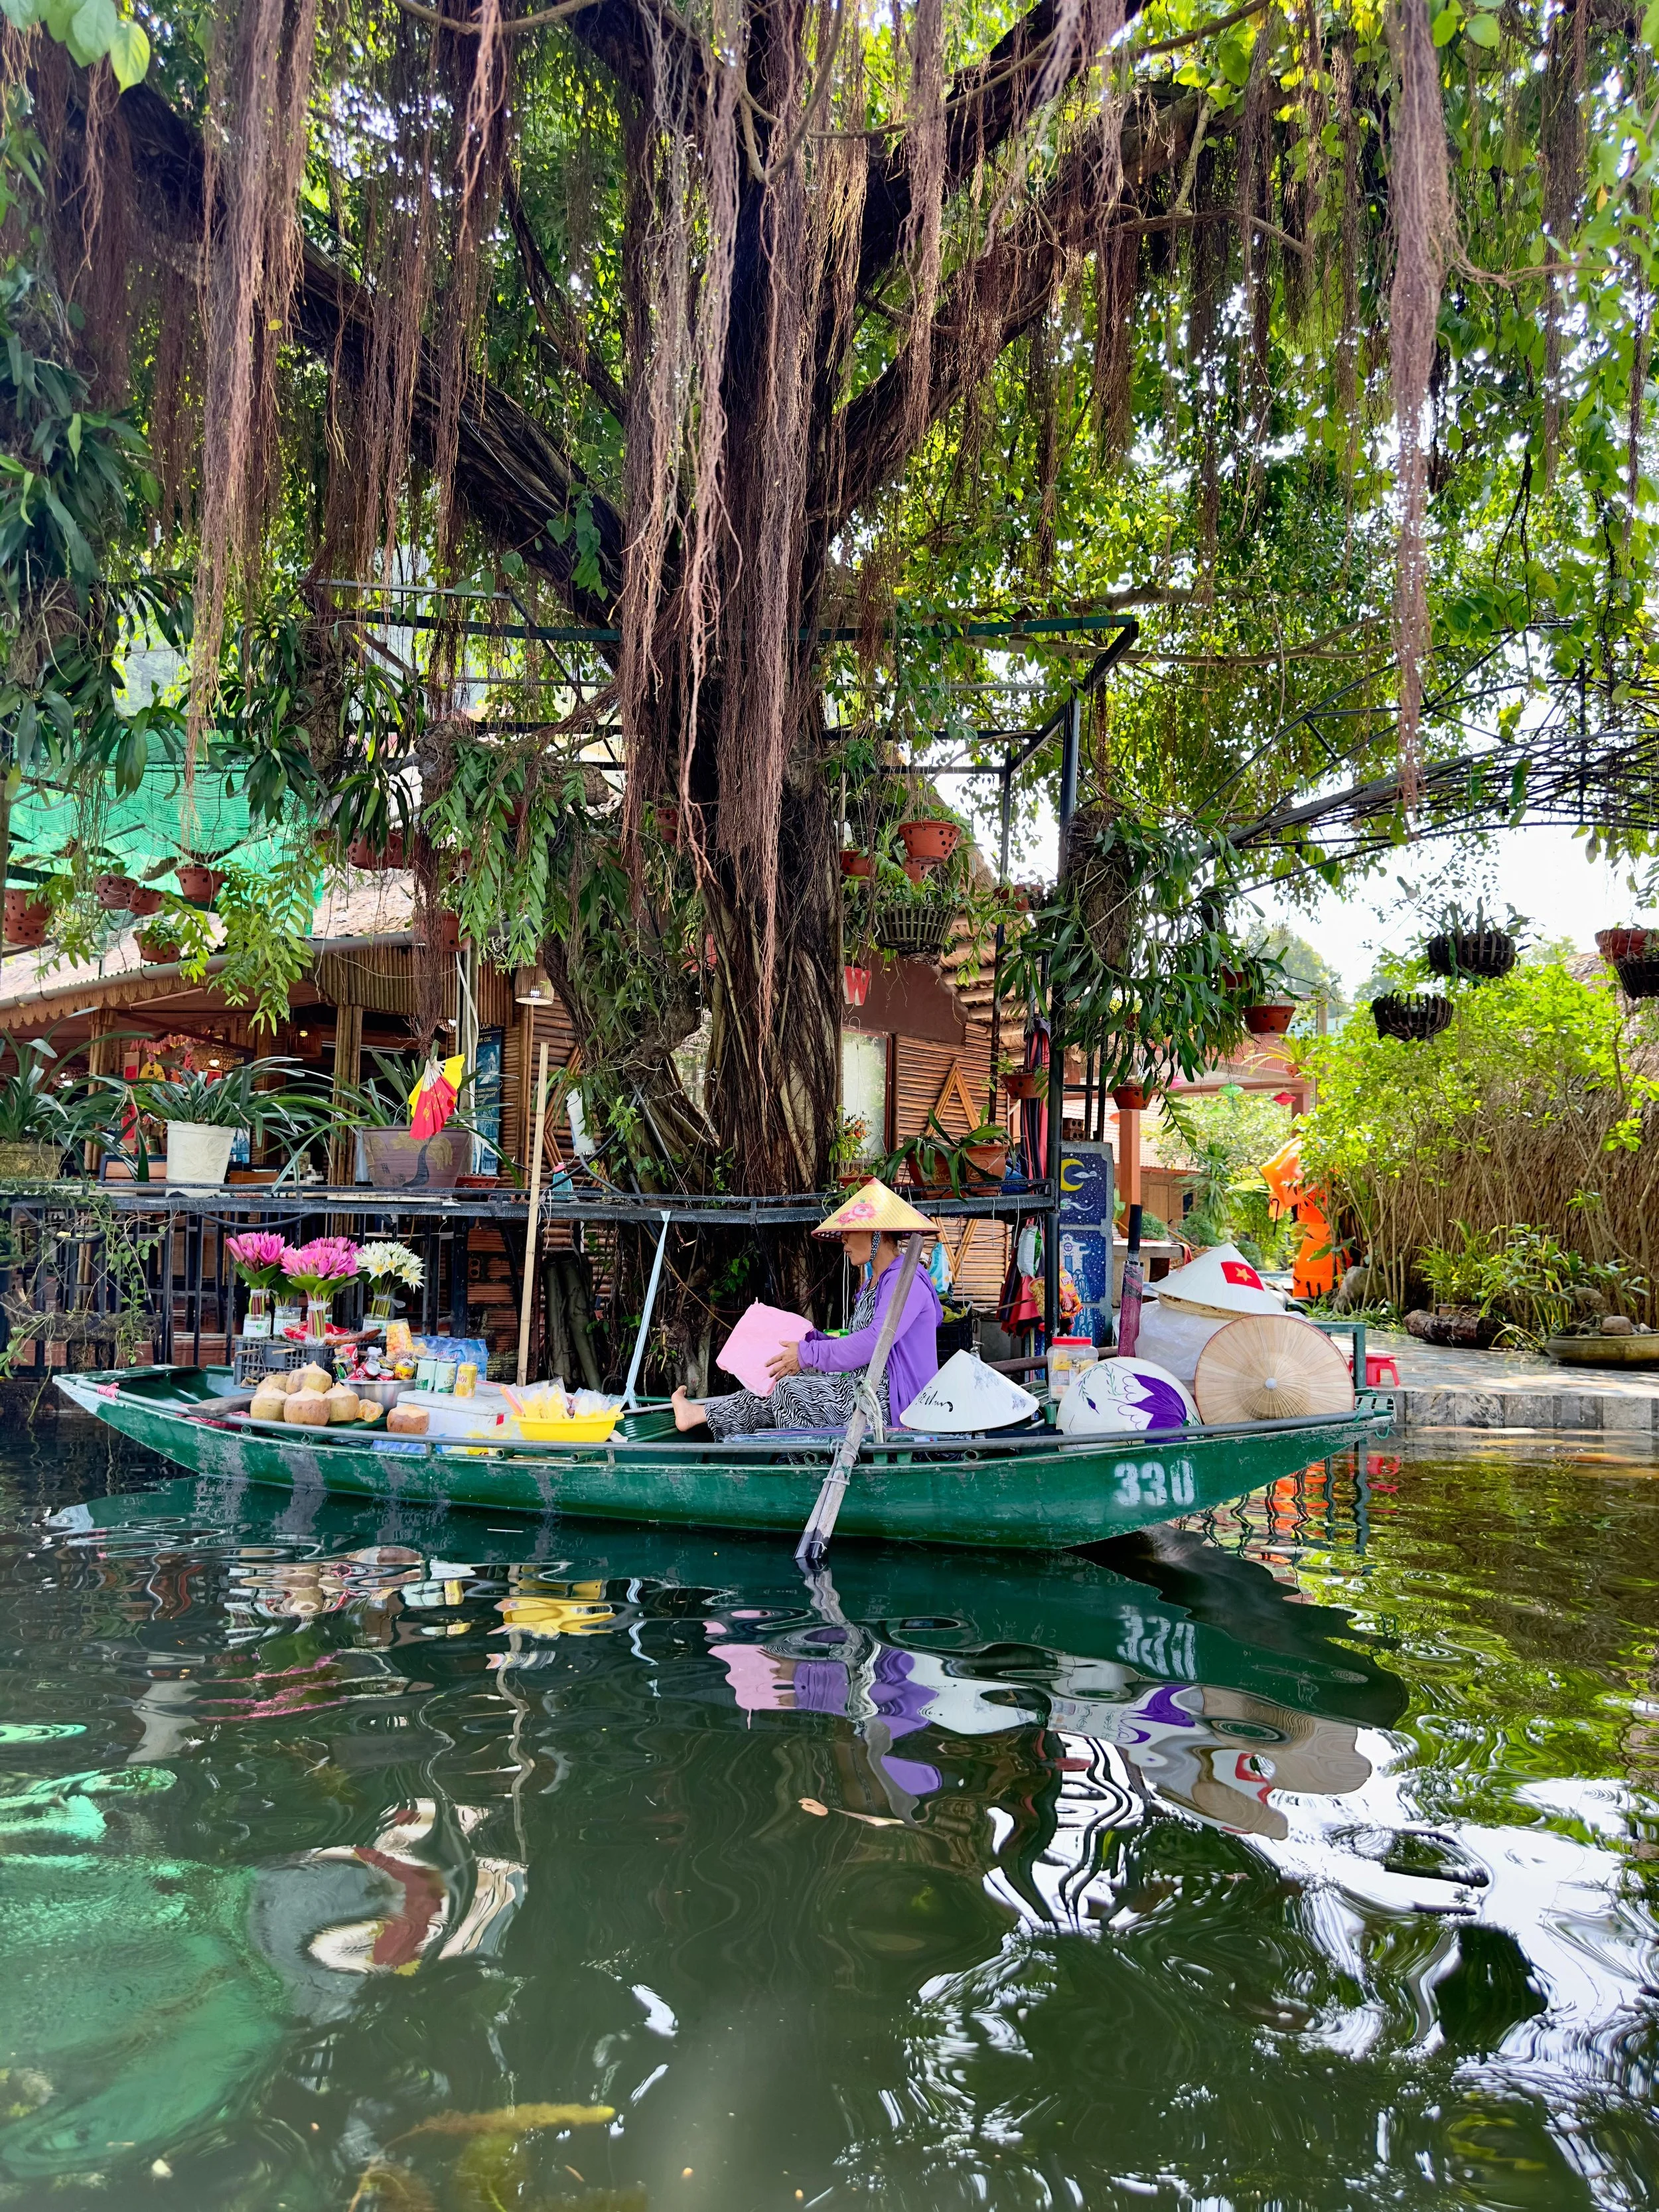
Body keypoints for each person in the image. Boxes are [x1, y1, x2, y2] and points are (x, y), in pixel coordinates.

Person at [672, 1178, 942, 1438]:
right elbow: (860, 1344)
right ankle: (702, 1414)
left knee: (790, 1392)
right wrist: (811, 1340)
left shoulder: (904, 1280)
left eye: (849, 1232)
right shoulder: (874, 1281)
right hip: (865, 1387)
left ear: (877, 1234)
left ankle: (802, 1464)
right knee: (781, 1378)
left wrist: (809, 1353)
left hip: (891, 1401)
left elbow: (875, 1342)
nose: (843, 1241)